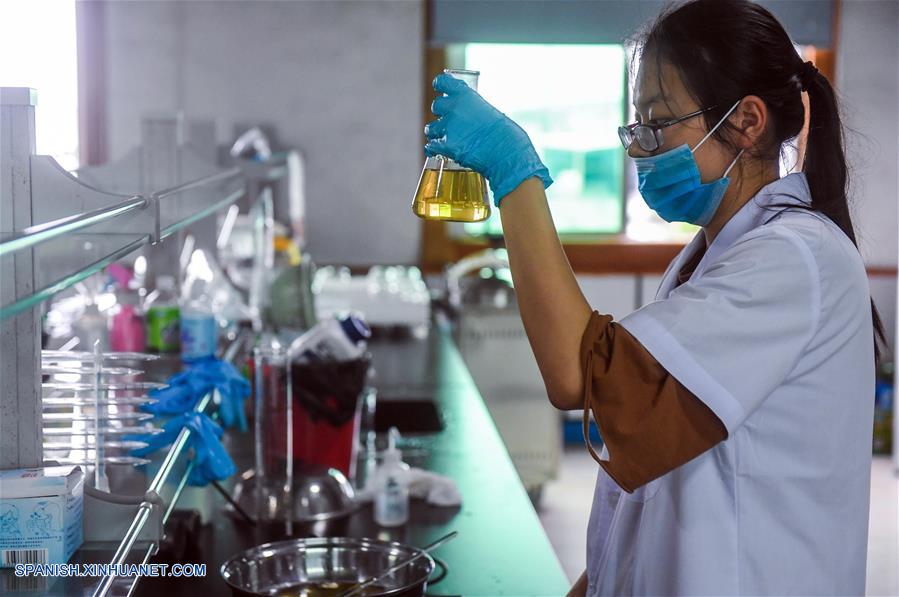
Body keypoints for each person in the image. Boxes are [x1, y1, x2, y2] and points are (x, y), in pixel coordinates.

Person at [423, 0, 885, 594]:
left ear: (747, 121)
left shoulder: (795, 258)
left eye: (658, 124)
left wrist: (516, 175)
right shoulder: (713, 257)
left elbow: (579, 374)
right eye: (636, 126)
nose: (639, 150)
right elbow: (660, 453)